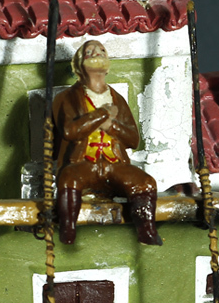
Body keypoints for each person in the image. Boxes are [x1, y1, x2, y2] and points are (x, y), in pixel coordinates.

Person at [53, 40, 162, 246]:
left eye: (102, 50)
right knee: (68, 178)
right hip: (83, 163)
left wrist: (111, 126)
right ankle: (67, 230)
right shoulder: (68, 98)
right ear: (79, 64)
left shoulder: (117, 99)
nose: (97, 53)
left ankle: (146, 230)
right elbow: (70, 131)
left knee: (145, 182)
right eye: (90, 51)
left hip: (115, 164)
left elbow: (133, 139)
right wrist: (101, 114)